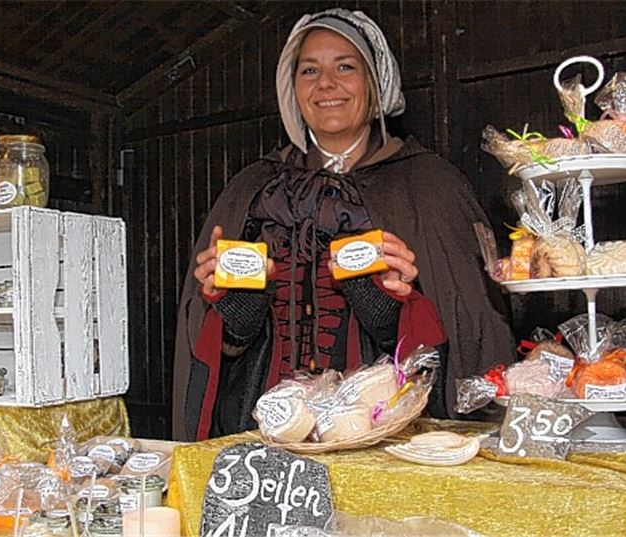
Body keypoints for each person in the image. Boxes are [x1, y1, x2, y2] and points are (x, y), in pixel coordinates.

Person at [172, 8, 514, 441]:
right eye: (309, 70)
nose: (326, 84)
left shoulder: (429, 186)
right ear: (292, 89)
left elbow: (460, 338)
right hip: (262, 430)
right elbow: (227, 348)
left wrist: (395, 303)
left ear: (376, 83)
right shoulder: (251, 189)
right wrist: (230, 300)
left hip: (385, 437)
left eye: (345, 67)